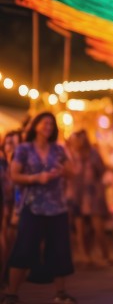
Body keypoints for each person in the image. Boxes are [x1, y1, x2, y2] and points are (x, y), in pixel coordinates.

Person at [2, 112, 76, 304]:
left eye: (51, 123)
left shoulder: (58, 150)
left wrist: (63, 171)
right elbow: (14, 175)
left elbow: (73, 172)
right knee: (24, 249)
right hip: (33, 206)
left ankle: (60, 293)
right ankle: (11, 293)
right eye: (45, 123)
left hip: (57, 208)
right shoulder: (24, 149)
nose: (48, 126)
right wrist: (36, 178)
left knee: (59, 251)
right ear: (35, 126)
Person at [67, 130, 110, 266]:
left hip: (93, 195)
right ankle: (86, 257)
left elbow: (102, 170)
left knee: (98, 228)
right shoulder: (71, 155)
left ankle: (105, 255)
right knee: (80, 229)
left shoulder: (93, 154)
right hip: (77, 195)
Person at [0, 131, 21, 287]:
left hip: (16, 206)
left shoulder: (22, 164)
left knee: (11, 242)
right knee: (4, 241)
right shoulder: (2, 163)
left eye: (14, 143)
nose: (11, 146)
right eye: (8, 143)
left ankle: (7, 273)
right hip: (4, 205)